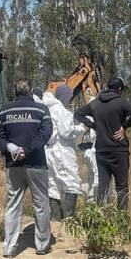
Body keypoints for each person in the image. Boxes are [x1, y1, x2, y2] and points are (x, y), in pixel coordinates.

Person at [0, 78, 53, 257]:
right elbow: (46, 133)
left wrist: (10, 147)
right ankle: (42, 246)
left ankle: (9, 248)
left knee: (12, 206)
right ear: (31, 90)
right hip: (36, 164)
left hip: (13, 165)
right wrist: (28, 149)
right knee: (41, 205)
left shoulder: (4, 110)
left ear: (15, 91)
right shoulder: (41, 110)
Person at [74, 77, 131, 209]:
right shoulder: (120, 102)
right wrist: (124, 126)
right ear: (119, 89)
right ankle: (122, 219)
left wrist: (93, 125)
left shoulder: (95, 103)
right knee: (121, 187)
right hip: (119, 150)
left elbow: (78, 114)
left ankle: (100, 216)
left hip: (101, 150)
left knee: (103, 186)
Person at [42, 85, 87, 220]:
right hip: (62, 151)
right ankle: (68, 219)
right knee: (71, 182)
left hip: (48, 151)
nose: (70, 99)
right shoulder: (62, 111)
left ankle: (55, 218)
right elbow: (66, 131)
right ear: (64, 96)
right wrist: (82, 128)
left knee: (53, 183)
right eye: (69, 96)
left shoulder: (47, 109)